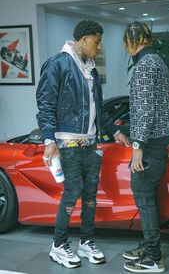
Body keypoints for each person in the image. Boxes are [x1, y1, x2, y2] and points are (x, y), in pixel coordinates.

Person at [36, 20, 129, 269]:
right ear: (84, 39)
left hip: (91, 144)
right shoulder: (58, 64)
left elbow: (99, 107)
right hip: (67, 144)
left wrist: (115, 131)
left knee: (90, 196)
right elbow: (45, 105)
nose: (99, 48)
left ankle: (86, 241)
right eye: (97, 42)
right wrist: (49, 141)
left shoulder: (91, 69)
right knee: (72, 193)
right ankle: (59, 244)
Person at [122, 22, 169, 273]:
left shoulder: (143, 65)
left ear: (131, 42)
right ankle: (147, 247)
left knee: (144, 199)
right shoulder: (158, 61)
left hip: (150, 145)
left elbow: (145, 110)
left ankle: (153, 257)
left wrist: (137, 146)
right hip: (160, 141)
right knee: (148, 199)